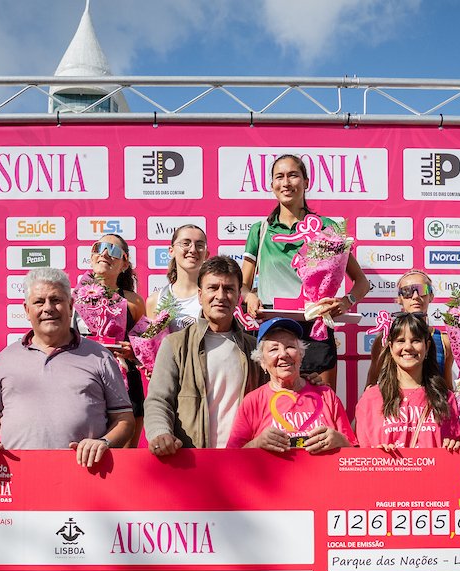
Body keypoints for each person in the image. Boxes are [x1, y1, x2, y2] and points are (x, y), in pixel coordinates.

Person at [0, 267, 134, 468]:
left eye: (56, 300)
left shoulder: (100, 356)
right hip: (19, 476)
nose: (48, 308)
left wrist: (104, 442)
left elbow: (124, 419)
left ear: (70, 306)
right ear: (27, 310)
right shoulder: (5, 359)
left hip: (85, 475)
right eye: (39, 301)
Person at [241, 154, 371, 387]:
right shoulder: (260, 230)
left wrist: (346, 301)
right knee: (274, 403)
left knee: (321, 404)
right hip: (273, 328)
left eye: (293, 175)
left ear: (306, 182)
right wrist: (249, 296)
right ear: (272, 185)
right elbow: (242, 285)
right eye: (279, 177)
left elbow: (362, 282)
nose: (286, 182)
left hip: (315, 328)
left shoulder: (327, 227)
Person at [144, 256, 264, 453]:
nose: (221, 296)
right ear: (200, 295)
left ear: (238, 297)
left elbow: (278, 392)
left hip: (244, 460)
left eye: (229, 289)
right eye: (213, 288)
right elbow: (158, 400)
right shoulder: (175, 344)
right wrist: (160, 432)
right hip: (192, 461)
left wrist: (307, 382)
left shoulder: (256, 349)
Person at [227, 318, 356, 453]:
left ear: (301, 354)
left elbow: (355, 454)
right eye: (274, 349)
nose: (283, 354)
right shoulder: (253, 401)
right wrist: (256, 443)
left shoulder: (326, 395)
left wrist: (340, 441)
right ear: (262, 362)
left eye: (290, 346)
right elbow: (232, 456)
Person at [355, 312, 460, 453]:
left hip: (434, 468)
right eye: (400, 340)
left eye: (416, 340)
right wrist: (377, 455)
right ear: (390, 347)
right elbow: (360, 454)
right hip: (387, 468)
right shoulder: (371, 398)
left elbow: (459, 451)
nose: (408, 347)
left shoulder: (445, 397)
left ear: (427, 346)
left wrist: (455, 446)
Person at [86, 234, 146, 446]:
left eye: (113, 250)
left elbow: (145, 347)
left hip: (126, 384)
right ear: (92, 256)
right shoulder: (73, 298)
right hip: (85, 382)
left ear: (124, 264)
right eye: (99, 247)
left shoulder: (134, 302)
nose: (104, 253)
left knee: (126, 459)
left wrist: (133, 351)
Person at [365, 271, 454, 387]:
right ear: (399, 299)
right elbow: (371, 385)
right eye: (408, 291)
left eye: (422, 290)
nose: (415, 296)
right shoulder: (385, 339)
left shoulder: (444, 341)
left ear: (431, 296)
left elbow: (448, 388)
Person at [146, 224, 207, 332]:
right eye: (185, 243)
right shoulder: (155, 300)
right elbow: (151, 340)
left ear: (206, 254)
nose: (193, 250)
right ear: (171, 251)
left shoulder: (213, 296)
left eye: (199, 245)